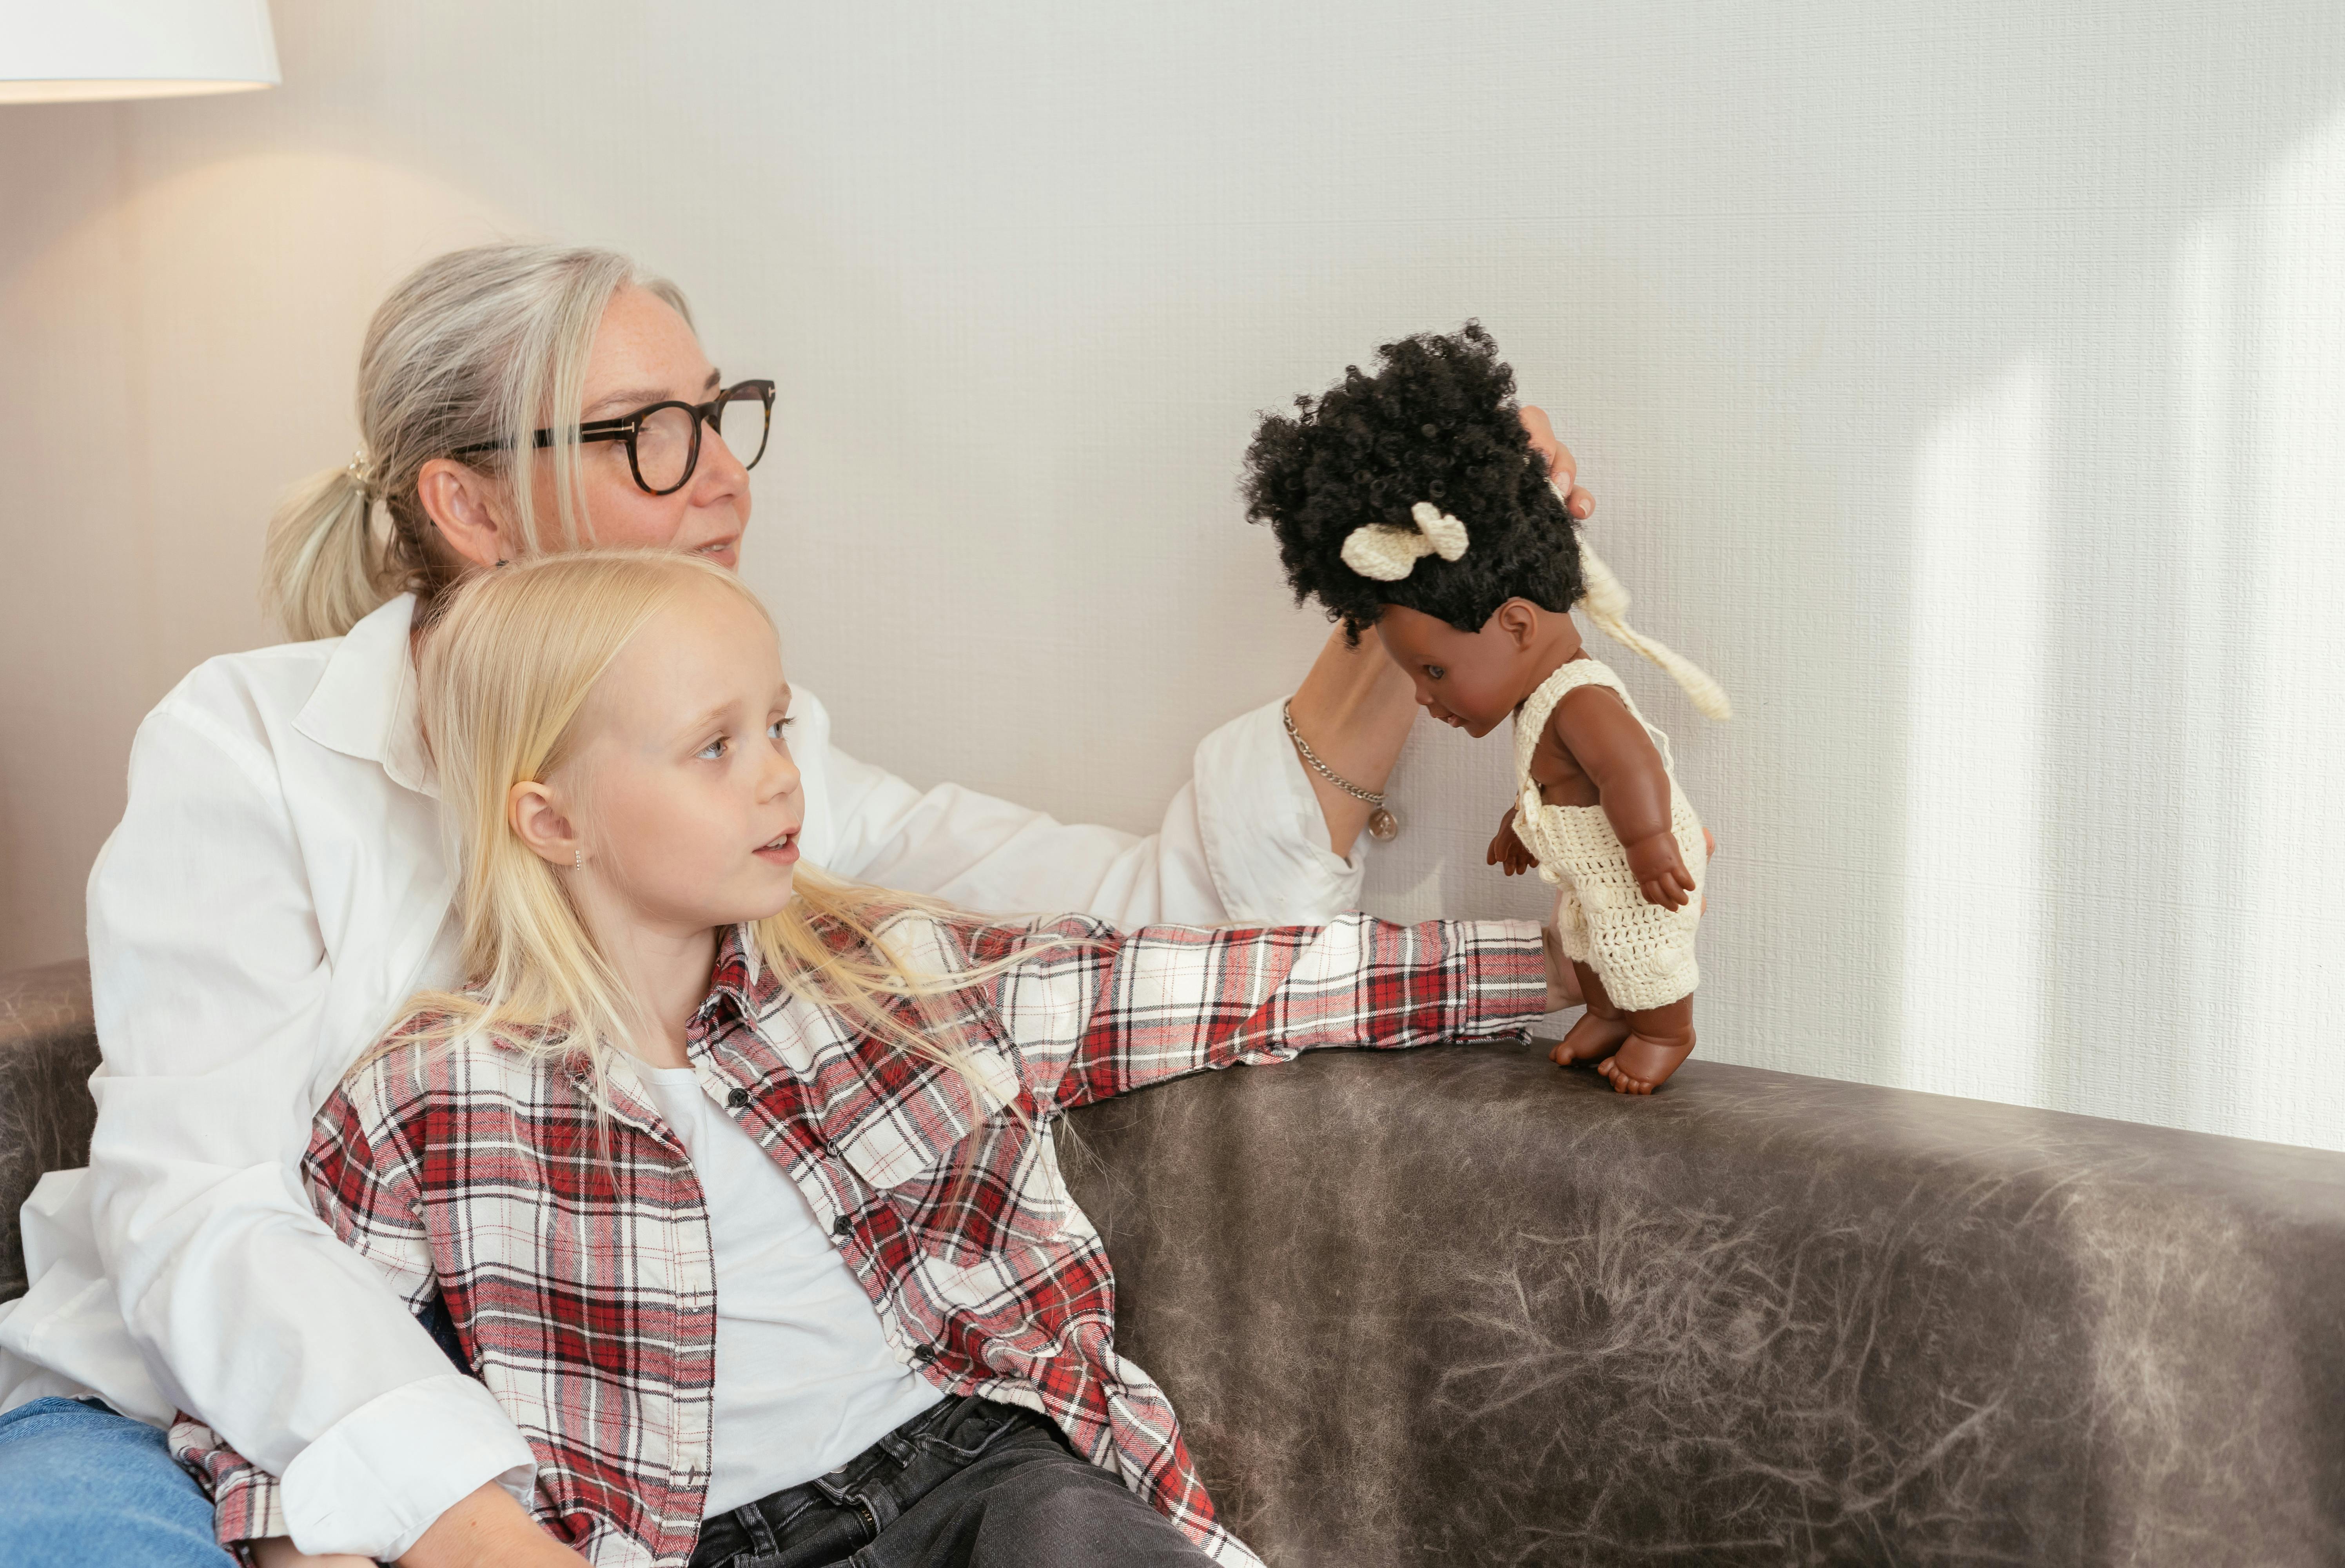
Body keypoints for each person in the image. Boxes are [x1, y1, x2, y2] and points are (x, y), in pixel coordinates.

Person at [0, 244, 1594, 1567]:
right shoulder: (254, 744)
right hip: (167, 1407)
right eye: (645, 434)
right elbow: (205, 1212)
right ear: (470, 510)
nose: (721, 484)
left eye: (718, 415)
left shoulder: (766, 777)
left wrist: (1403, 619)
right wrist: (456, 1522)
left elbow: (1136, 929)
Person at [172, 549, 1566, 1568]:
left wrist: (1558, 968)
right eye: (712, 748)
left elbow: (1226, 985)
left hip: (984, 1484)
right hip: (683, 1543)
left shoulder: (886, 975)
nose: (778, 773)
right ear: (552, 817)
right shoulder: (427, 1091)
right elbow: (295, 1391)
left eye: (775, 725)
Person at [1243, 323, 1723, 1093]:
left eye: (1434, 670)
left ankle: (1668, 1030)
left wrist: (1647, 844)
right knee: (1585, 941)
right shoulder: (1541, 703)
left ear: (1517, 624)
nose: (1426, 697)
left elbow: (1629, 762)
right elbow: (1556, 783)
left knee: (1642, 951)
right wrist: (1520, 823)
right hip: (1594, 869)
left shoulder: (1581, 697)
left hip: (1642, 871)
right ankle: (1605, 1014)